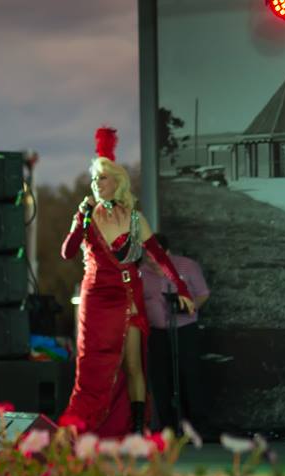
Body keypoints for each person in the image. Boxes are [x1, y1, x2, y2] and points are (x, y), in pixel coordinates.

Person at [60, 127, 194, 437]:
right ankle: (80, 428)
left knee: (133, 364)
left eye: (102, 178)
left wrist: (183, 289)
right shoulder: (86, 216)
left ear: (117, 181)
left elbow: (160, 257)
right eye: (94, 179)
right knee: (92, 368)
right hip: (96, 298)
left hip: (128, 296)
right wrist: (79, 223)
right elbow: (67, 253)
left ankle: (136, 428)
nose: (96, 183)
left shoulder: (135, 219)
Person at [142, 234, 210, 432]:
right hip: (156, 333)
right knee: (160, 378)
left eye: (155, 257)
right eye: (148, 258)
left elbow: (203, 294)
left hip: (184, 329)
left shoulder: (187, 266)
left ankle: (196, 425)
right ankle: (167, 426)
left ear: (167, 253)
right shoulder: (141, 273)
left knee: (189, 376)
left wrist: (189, 307)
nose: (151, 262)